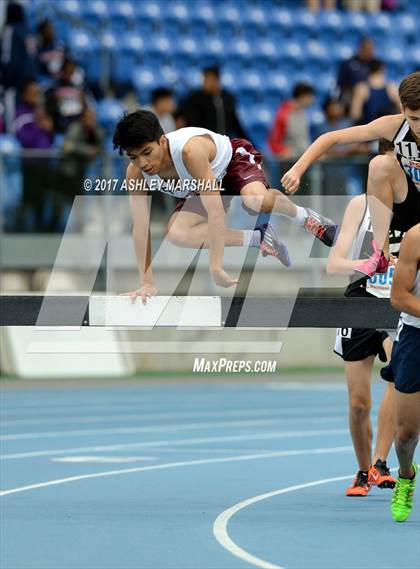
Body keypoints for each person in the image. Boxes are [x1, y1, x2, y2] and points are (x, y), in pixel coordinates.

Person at [112, 110, 338, 299]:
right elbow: (140, 228)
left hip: (231, 164)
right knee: (177, 233)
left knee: (256, 200)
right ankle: (259, 238)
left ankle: (303, 216)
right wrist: (147, 282)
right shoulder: (136, 174)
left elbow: (215, 211)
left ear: (162, 141)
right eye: (134, 157)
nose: (143, 163)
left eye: (147, 153)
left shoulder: (189, 152)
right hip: (200, 187)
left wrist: (216, 266)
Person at [282, 71, 420, 278]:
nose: (419, 126)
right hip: (409, 205)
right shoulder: (394, 126)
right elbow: (332, 138)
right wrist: (297, 169)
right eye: (414, 119)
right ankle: (381, 255)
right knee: (379, 164)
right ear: (402, 110)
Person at [327, 140, 399, 496]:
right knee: (358, 404)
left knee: (397, 376)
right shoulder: (360, 205)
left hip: (400, 300)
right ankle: (361, 469)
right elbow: (334, 263)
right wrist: (369, 264)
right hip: (361, 297)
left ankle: (380, 463)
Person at [381, 224, 420, 522]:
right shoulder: (416, 236)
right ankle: (406, 475)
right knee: (406, 433)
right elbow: (399, 297)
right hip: (415, 336)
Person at [14, 79, 55, 231]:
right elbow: (25, 139)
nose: (35, 96)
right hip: (30, 163)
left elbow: (50, 138)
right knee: (28, 200)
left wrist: (49, 128)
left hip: (46, 162)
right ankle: (20, 230)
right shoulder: (21, 114)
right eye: (32, 93)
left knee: (43, 200)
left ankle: (43, 230)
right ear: (25, 94)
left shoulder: (42, 113)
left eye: (37, 93)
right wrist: (39, 125)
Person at [180, 66, 248, 140]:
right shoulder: (195, 98)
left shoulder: (228, 98)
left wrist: (252, 145)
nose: (205, 83)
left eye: (209, 79)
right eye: (205, 79)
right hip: (204, 143)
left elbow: (236, 124)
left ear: (217, 80)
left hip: (224, 144)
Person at [268, 83, 315, 159]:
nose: (312, 100)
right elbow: (274, 141)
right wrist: (283, 151)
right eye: (310, 96)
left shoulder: (304, 113)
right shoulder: (283, 114)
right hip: (290, 161)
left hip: (303, 157)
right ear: (302, 96)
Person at [350, 59, 399, 124]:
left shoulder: (361, 88)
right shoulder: (392, 88)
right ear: (382, 69)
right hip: (387, 129)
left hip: (368, 129)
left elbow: (355, 114)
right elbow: (402, 111)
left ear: (367, 71)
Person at [337, 37, 375, 112]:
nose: (369, 51)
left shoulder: (375, 64)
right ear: (360, 48)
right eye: (366, 48)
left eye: (371, 49)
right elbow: (341, 84)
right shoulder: (348, 64)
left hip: (371, 96)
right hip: (351, 96)